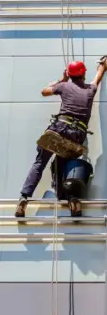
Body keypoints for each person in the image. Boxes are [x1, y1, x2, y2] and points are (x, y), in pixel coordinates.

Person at [15, 59, 107, 218]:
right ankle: (71, 198)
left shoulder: (64, 86)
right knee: (63, 166)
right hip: (76, 136)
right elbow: (99, 74)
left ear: (70, 74)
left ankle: (24, 198)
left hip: (59, 129)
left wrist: (62, 79)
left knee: (40, 163)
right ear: (84, 74)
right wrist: (103, 65)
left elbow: (44, 91)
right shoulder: (91, 90)